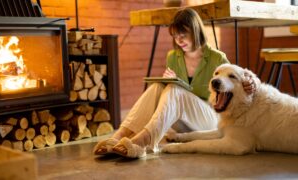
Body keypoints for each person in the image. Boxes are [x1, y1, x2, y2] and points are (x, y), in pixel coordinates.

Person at [93, 8, 256, 158]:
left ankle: (142, 141)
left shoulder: (217, 58)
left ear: (195, 31)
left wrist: (249, 83)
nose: (179, 40)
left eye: (183, 35)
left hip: (209, 119)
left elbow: (236, 79)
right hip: (183, 123)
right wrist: (167, 80)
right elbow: (171, 99)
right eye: (175, 36)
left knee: (174, 89)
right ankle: (119, 136)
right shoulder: (173, 56)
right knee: (158, 86)